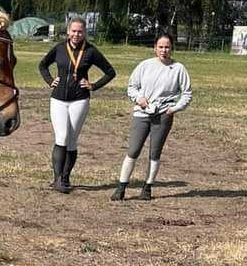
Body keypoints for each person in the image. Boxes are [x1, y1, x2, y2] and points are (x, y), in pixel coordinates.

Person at [37, 17, 116, 192]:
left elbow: (110, 72)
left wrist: (93, 85)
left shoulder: (90, 51)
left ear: (85, 32)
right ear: (68, 31)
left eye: (80, 31)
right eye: (73, 31)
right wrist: (50, 80)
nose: (76, 34)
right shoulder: (59, 48)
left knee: (72, 140)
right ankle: (57, 179)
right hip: (58, 99)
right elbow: (43, 65)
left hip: (80, 100)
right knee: (62, 136)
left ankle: (65, 178)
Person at [111, 32, 192, 201]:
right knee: (133, 150)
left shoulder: (178, 69)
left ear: (172, 49)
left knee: (155, 153)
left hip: (163, 116)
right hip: (142, 114)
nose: (164, 50)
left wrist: (175, 108)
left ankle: (147, 187)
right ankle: (121, 187)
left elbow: (186, 93)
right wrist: (139, 99)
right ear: (154, 48)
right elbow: (132, 86)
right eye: (160, 47)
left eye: (167, 47)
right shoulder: (144, 66)